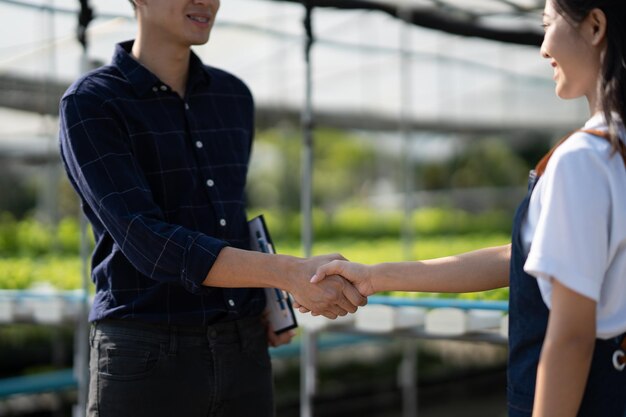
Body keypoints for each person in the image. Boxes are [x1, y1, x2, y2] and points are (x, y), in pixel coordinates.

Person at [307, 1, 626, 416]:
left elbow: (571, 338)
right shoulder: (613, 153)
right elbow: (529, 259)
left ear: (596, 25)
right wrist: (374, 276)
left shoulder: (583, 158)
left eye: (548, 25)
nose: (544, 47)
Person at [58, 0, 365, 416]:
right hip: (147, 352)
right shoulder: (93, 103)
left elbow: (229, 215)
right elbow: (147, 241)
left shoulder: (232, 96)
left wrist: (265, 299)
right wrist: (288, 273)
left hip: (243, 347)